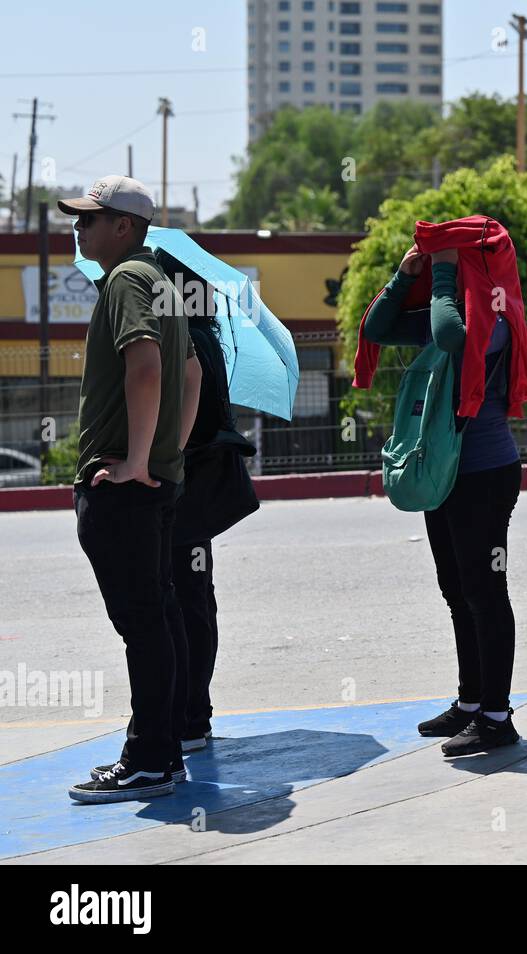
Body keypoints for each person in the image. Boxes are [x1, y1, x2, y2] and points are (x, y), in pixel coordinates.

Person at [359, 220, 527, 754]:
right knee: (458, 593)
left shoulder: (495, 316)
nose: (444, 269)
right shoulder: (451, 310)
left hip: (485, 476)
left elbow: (451, 334)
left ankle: (498, 718)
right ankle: (471, 703)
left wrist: (443, 274)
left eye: (456, 262)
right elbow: (379, 328)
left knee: (485, 593)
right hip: (447, 475)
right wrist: (403, 274)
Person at [60, 176, 202, 803]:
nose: (78, 229)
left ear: (123, 226)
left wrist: (136, 460)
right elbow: (191, 374)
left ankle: (147, 761)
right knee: (160, 616)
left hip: (125, 485)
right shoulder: (163, 281)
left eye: (89, 220)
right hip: (156, 483)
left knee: (143, 624)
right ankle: (163, 752)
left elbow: (146, 363)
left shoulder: (125, 280)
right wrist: (165, 458)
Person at [163, 255, 259, 753]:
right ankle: (193, 716)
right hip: (196, 493)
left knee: (183, 606)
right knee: (195, 602)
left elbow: (182, 424)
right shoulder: (206, 337)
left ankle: (189, 719)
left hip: (183, 492)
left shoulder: (186, 343)